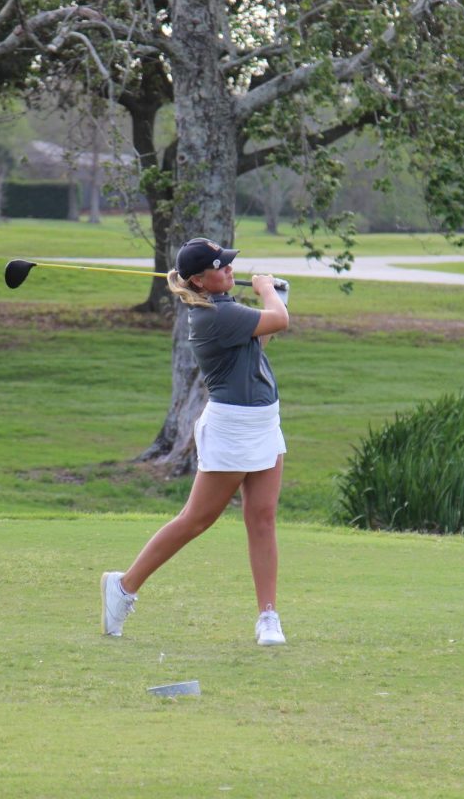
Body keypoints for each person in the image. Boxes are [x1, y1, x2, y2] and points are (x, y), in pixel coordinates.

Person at [102, 237, 291, 645]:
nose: (228, 270)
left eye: (227, 264)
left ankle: (268, 616)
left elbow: (259, 341)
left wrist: (274, 297)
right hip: (232, 426)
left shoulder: (222, 308)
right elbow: (279, 321)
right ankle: (123, 586)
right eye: (219, 267)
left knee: (262, 518)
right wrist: (268, 291)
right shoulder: (211, 317)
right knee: (196, 520)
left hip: (263, 420)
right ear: (199, 281)